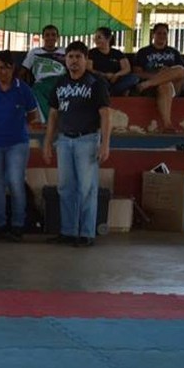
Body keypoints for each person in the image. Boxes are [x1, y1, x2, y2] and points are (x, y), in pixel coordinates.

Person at [43, 41, 111, 247]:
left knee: (87, 189)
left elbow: (106, 115)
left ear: (86, 59)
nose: (73, 61)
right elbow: (53, 115)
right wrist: (47, 142)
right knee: (66, 188)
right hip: (64, 140)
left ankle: (87, 233)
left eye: (78, 57)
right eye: (70, 56)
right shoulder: (60, 83)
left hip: (87, 140)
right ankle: (68, 232)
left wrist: (105, 144)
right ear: (65, 59)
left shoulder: (95, 82)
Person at [0, 50, 40, 242]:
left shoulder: (24, 90)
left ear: (12, 69)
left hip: (17, 144)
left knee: (15, 181)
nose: (0, 72)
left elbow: (33, 115)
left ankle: (18, 225)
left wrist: (16, 126)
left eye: (4, 68)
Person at [133, 23, 184, 132]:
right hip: (155, 88)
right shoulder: (143, 52)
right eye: (159, 33)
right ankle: (167, 124)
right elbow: (137, 73)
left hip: (174, 85)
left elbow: (183, 72)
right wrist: (159, 76)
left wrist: (167, 73)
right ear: (153, 35)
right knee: (165, 85)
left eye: (164, 33)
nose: (162, 36)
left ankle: (149, 83)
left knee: (179, 70)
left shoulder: (174, 52)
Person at [20, 24, 66, 122]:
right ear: (43, 37)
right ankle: (49, 122)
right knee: (34, 91)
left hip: (60, 81)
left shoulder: (64, 52)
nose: (50, 37)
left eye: (53, 35)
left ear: (57, 37)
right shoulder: (35, 52)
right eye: (47, 35)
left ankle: (56, 121)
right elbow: (23, 70)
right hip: (41, 83)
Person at [87, 26, 140, 97]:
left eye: (99, 37)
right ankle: (115, 92)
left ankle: (110, 92)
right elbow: (89, 69)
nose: (96, 40)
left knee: (134, 77)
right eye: (95, 38)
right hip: (100, 79)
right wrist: (104, 75)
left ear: (108, 38)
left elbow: (127, 68)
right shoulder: (91, 53)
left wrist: (116, 75)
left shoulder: (117, 53)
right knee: (97, 80)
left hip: (116, 80)